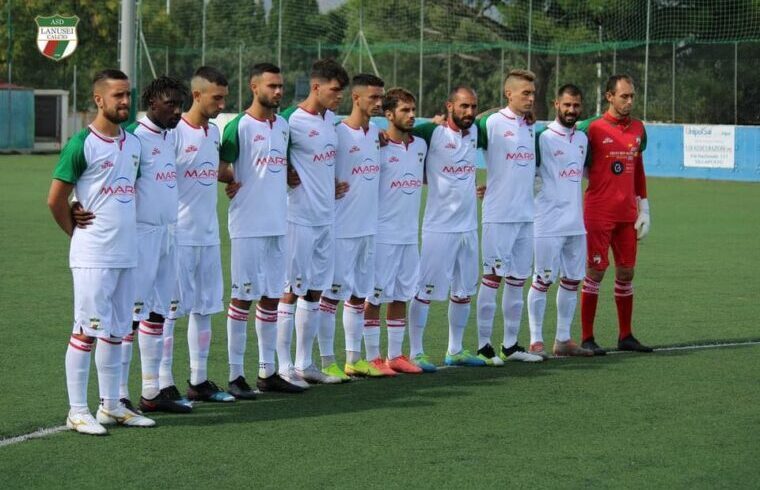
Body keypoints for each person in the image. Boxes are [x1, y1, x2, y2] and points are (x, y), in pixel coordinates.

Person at [48, 69, 155, 435]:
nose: (125, 102)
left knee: (118, 330)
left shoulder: (134, 143)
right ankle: (77, 410)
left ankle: (112, 406)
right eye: (118, 96)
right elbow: (55, 199)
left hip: (127, 253)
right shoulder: (82, 143)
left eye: (128, 95)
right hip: (93, 255)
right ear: (99, 100)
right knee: (86, 330)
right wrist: (75, 232)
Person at [218, 63, 305, 394]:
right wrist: (233, 180)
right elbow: (219, 167)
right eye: (272, 86)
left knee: (271, 297)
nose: (278, 91)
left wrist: (288, 175)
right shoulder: (237, 127)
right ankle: (236, 375)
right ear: (254, 87)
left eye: (281, 86)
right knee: (242, 298)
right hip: (247, 226)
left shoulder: (283, 126)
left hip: (277, 224)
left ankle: (268, 373)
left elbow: (281, 166)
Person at [122, 76, 194, 413]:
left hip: (168, 235)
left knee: (158, 313)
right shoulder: (134, 139)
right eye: (170, 105)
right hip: (141, 237)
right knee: (129, 317)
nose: (177, 111)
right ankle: (118, 395)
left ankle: (151, 391)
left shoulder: (169, 137)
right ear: (152, 103)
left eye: (180, 105)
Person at [277, 59, 349, 386]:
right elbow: (265, 154)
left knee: (315, 291)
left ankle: (306, 364)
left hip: (327, 219)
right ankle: (282, 367)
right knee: (290, 290)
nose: (340, 97)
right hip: (298, 219)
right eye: (335, 91)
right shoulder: (290, 120)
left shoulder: (331, 120)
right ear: (316, 86)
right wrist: (283, 175)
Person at [407, 86, 486, 370]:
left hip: (468, 227)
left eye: (473, 107)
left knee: (463, 290)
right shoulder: (432, 133)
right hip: (438, 228)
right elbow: (399, 135)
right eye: (463, 106)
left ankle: (455, 349)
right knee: (424, 291)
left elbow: (494, 117)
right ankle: (416, 352)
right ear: (449, 106)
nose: (469, 112)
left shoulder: (476, 131)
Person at [316, 73, 388, 379]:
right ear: (356, 98)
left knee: (359, 295)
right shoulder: (337, 133)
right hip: (342, 229)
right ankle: (326, 360)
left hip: (368, 228)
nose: (378, 103)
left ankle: (353, 358)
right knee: (331, 296)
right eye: (372, 97)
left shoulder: (375, 134)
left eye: (380, 98)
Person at [577, 74, 652, 354]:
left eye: (632, 96)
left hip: (627, 215)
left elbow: (639, 170)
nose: (630, 101)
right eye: (624, 96)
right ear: (609, 96)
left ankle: (626, 335)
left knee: (626, 272)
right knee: (595, 272)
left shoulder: (638, 129)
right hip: (598, 212)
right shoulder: (591, 128)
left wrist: (644, 207)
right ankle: (587, 337)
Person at [173, 66, 235, 401]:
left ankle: (199, 381)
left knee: (206, 307)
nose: (223, 104)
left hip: (209, 236)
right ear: (196, 95)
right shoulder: (174, 133)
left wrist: (233, 179)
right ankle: (162, 384)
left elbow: (217, 171)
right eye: (217, 97)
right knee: (168, 312)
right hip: (178, 237)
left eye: (225, 97)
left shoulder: (214, 133)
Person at [474, 69, 544, 364]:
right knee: (492, 278)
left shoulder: (530, 127)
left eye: (532, 93)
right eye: (525, 93)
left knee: (517, 280)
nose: (530, 98)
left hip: (526, 215)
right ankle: (483, 345)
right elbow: (459, 142)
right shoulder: (489, 123)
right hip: (499, 215)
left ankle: (511, 345)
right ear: (509, 94)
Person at [525, 84, 593, 357]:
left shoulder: (582, 140)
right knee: (542, 280)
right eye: (566, 105)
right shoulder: (541, 137)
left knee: (572, 280)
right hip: (547, 222)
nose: (571, 110)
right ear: (556, 104)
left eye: (576, 105)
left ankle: (563, 339)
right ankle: (536, 340)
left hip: (576, 223)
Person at [364, 87, 428, 374]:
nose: (411, 115)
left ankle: (396, 356)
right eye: (404, 110)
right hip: (382, 235)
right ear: (388, 114)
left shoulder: (420, 146)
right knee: (374, 296)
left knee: (402, 294)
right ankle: (372, 357)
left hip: (408, 235)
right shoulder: (375, 145)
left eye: (413, 109)